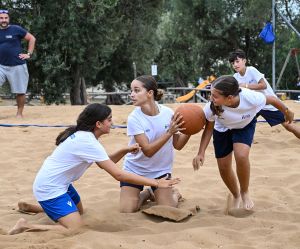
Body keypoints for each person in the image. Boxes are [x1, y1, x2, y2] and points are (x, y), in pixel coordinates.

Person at [8, 103, 180, 235]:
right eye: (109, 120)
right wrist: (156, 182)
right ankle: (25, 225)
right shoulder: (88, 141)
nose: (112, 123)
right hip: (50, 188)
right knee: (74, 228)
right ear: (98, 124)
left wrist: (124, 150)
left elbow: (103, 162)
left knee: (80, 212)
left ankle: (34, 208)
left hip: (61, 184)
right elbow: (118, 174)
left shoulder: (87, 137)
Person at [192, 76, 294, 210]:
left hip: (244, 125)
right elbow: (209, 128)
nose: (211, 98)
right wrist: (201, 152)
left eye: (215, 96)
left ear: (229, 98)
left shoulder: (250, 97)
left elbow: (272, 100)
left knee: (241, 156)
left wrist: (287, 111)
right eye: (211, 94)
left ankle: (244, 192)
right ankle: (235, 195)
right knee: (223, 167)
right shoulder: (211, 107)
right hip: (222, 129)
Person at [120, 75, 191, 213]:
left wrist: (190, 130)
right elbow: (148, 151)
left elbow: (178, 145)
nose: (132, 95)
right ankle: (147, 193)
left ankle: (173, 194)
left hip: (160, 171)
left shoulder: (168, 113)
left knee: (167, 209)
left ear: (150, 93)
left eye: (136, 90)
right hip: (135, 170)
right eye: (131, 91)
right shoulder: (134, 118)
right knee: (127, 209)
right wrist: (169, 133)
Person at [229, 49, 300, 139]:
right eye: (233, 63)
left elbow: (263, 85)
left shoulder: (251, 70)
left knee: (288, 126)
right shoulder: (235, 77)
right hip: (253, 106)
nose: (235, 64)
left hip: (268, 104)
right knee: (239, 123)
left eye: (237, 61)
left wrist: (246, 85)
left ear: (244, 61)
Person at [0, 9, 36, 118]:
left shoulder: (16, 29)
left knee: (20, 91)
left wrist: (28, 54)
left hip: (18, 65)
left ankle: (19, 114)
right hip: (1, 66)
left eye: (6, 18)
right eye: (1, 18)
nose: (4, 20)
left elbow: (32, 38)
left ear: (9, 19)